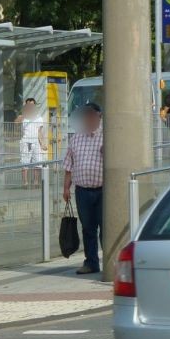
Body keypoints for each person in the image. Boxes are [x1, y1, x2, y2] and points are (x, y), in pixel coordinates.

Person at [63, 102, 103, 275]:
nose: (88, 118)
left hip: (103, 190)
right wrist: (66, 188)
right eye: (86, 115)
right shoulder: (76, 138)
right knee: (88, 228)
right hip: (82, 190)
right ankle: (91, 262)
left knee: (106, 228)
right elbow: (68, 165)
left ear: (99, 117)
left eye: (92, 115)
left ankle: (110, 262)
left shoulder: (106, 137)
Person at [15, 97, 46, 187]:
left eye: (32, 105)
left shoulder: (39, 118)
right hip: (25, 142)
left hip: (36, 142)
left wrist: (42, 143)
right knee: (25, 162)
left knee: (38, 162)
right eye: (28, 105)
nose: (30, 107)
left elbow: (39, 132)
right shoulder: (23, 117)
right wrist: (24, 114)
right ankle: (25, 182)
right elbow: (16, 123)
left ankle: (36, 182)